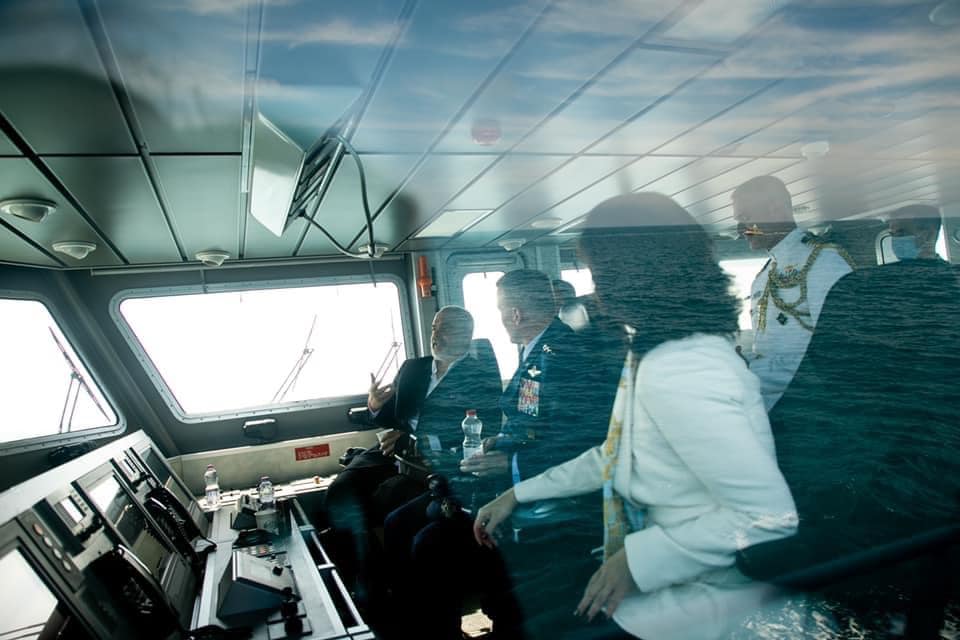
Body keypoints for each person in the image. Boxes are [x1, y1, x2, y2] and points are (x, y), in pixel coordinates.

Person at [475, 193, 798, 640]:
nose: (595, 291)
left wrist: (636, 562)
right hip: (655, 578)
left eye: (599, 273)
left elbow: (767, 515)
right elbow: (614, 454)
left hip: (699, 604)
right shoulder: (652, 351)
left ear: (633, 274)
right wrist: (517, 493)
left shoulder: (685, 365)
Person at [737, 204, 960, 636]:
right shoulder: (870, 288)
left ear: (929, 232)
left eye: (903, 230)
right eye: (891, 230)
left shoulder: (860, 283)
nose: (896, 237)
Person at [382, 270, 621, 640]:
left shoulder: (563, 355)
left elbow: (583, 441)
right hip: (520, 480)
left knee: (429, 544)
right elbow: (534, 423)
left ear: (516, 314)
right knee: (405, 523)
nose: (499, 319)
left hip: (555, 505)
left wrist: (512, 462)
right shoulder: (539, 348)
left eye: (500, 311)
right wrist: (501, 441)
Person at [322, 305, 501, 609]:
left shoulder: (478, 376)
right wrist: (375, 405)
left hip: (434, 460)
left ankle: (393, 594)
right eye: (434, 327)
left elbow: (485, 427)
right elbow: (391, 416)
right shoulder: (413, 368)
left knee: (392, 501)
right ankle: (364, 583)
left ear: (467, 335)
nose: (436, 335)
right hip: (393, 451)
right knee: (340, 492)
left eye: (445, 329)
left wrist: (416, 438)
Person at [732, 175, 855, 410]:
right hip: (770, 406)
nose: (740, 230)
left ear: (776, 210)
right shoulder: (763, 276)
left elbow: (842, 346)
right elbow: (771, 351)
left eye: (746, 218)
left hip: (810, 407)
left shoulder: (822, 261)